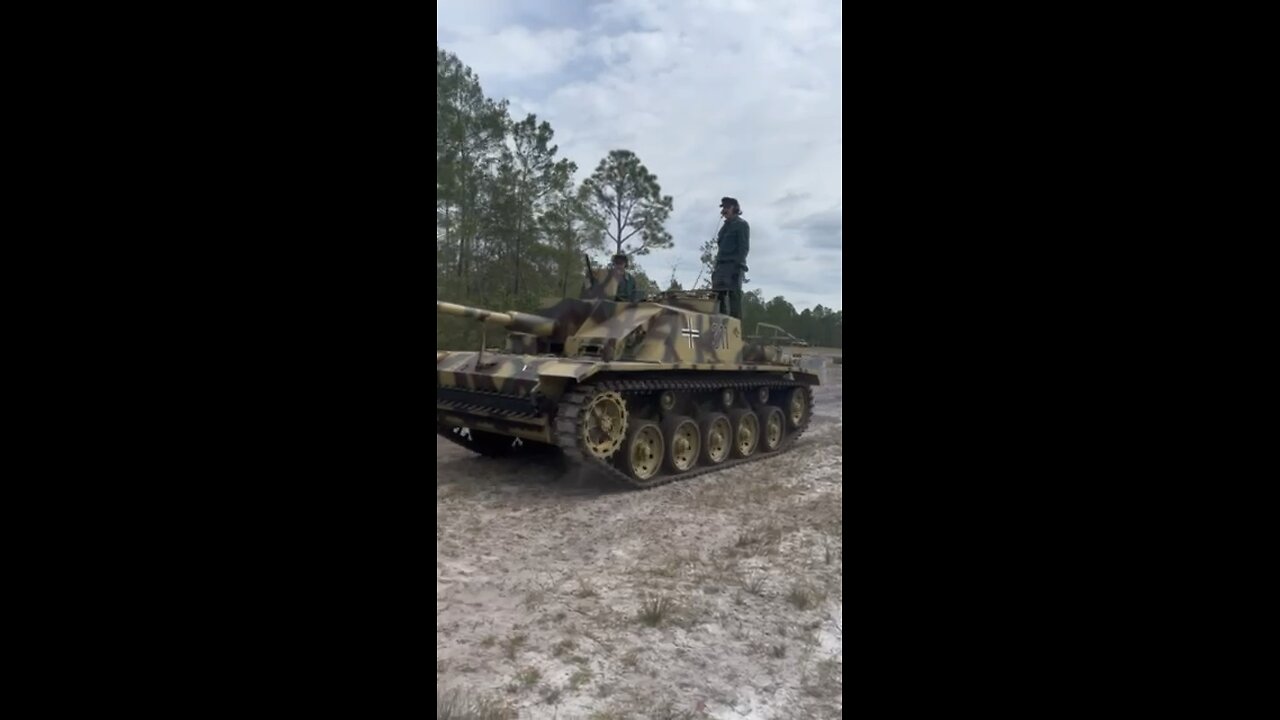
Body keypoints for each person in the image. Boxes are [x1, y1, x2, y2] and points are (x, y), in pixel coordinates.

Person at [713, 196, 750, 318]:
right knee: (718, 299)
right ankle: (720, 328)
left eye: (727, 207)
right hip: (721, 266)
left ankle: (735, 329)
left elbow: (744, 247)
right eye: (723, 208)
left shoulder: (741, 225)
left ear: (735, 208)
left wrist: (738, 265)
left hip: (734, 266)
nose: (724, 210)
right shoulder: (724, 228)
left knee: (734, 299)